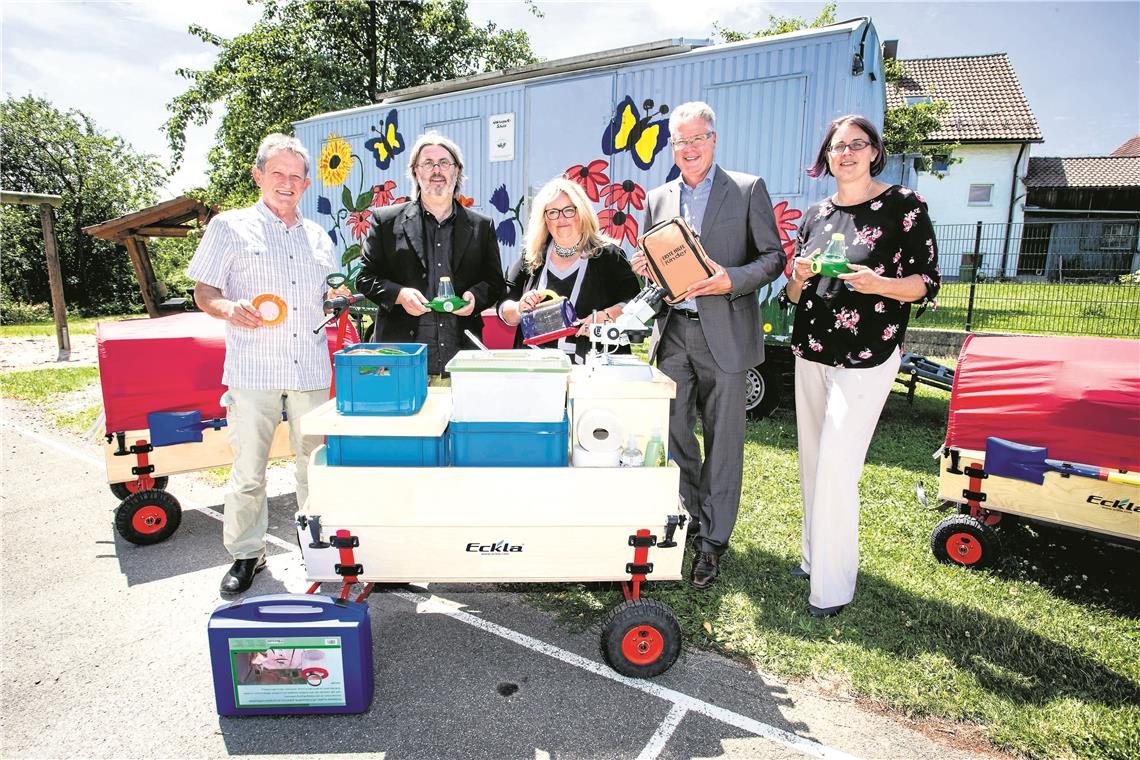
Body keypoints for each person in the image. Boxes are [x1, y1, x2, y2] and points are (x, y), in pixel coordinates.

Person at [780, 114, 941, 617]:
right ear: (826, 157)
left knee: (836, 465)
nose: (845, 153)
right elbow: (790, 294)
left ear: (874, 151)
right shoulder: (815, 214)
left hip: (868, 355)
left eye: (856, 144)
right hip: (812, 351)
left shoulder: (904, 207)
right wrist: (797, 276)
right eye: (836, 146)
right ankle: (813, 558)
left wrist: (881, 284)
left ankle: (831, 589)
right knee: (812, 462)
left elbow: (926, 283)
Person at [631, 101, 785, 590]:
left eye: (698, 138)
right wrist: (645, 268)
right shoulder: (657, 198)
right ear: (671, 146)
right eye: (680, 141)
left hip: (727, 333)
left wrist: (729, 280)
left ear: (713, 140)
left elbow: (773, 258)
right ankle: (689, 516)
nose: (689, 148)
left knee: (724, 441)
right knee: (675, 434)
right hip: (673, 331)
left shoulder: (746, 189)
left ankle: (714, 541)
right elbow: (653, 258)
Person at [188, 133, 346, 595]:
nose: (287, 182)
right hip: (253, 371)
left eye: (296, 175)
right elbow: (204, 293)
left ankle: (316, 550)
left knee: (314, 467)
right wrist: (227, 309)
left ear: (307, 183)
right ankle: (246, 554)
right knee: (248, 470)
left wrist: (335, 298)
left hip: (309, 371)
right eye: (277, 173)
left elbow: (326, 293)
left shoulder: (318, 235)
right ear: (258, 176)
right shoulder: (229, 227)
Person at [357, 132, 505, 376]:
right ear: (415, 171)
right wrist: (400, 295)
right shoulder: (385, 221)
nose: (437, 170)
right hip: (402, 359)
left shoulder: (482, 226)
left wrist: (474, 298)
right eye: (427, 163)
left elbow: (495, 282)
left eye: (444, 163)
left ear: (456, 171)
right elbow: (364, 278)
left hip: (462, 358)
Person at [497, 177, 640, 362]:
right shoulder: (532, 256)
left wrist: (605, 317)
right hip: (536, 371)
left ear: (581, 213)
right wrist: (519, 307)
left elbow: (634, 304)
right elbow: (504, 306)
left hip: (593, 372)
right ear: (544, 219)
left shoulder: (609, 256)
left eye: (569, 210)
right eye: (553, 212)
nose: (561, 219)